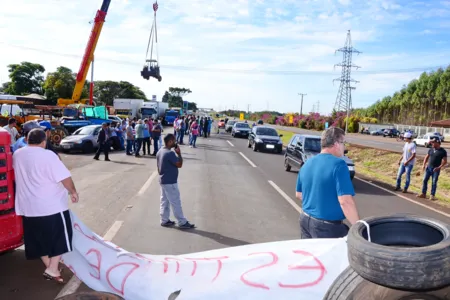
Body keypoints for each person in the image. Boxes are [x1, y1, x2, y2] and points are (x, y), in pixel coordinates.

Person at [13, 128, 79, 283]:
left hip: (28, 207)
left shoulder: (18, 154)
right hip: (51, 206)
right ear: (44, 142)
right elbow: (65, 178)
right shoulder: (48, 155)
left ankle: (51, 268)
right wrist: (73, 192)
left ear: (27, 140)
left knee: (38, 240)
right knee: (60, 238)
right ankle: (52, 268)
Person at [296, 127, 360, 239]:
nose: (344, 146)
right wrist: (358, 228)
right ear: (336, 144)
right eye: (343, 142)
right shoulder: (339, 165)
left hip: (305, 221)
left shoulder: (307, 163)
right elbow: (346, 202)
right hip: (327, 228)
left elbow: (299, 194)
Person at [156, 134, 195, 229]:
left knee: (164, 201)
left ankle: (164, 220)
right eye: (173, 141)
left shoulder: (160, 151)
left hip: (163, 180)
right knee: (175, 202)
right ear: (169, 142)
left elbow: (158, 167)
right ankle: (182, 221)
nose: (175, 143)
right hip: (170, 182)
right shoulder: (170, 153)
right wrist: (179, 154)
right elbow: (179, 164)